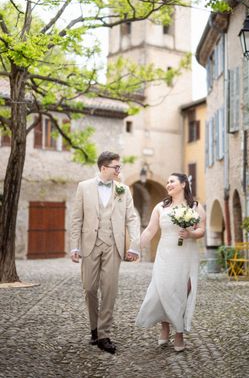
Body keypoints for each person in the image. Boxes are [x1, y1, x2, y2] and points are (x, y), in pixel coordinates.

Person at [71, 151, 140, 354]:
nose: (119, 170)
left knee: (109, 289)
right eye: (116, 167)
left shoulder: (123, 190)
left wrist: (134, 245)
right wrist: (75, 246)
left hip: (113, 245)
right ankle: (94, 327)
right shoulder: (83, 187)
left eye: (119, 167)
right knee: (89, 288)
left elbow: (132, 218)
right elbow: (77, 219)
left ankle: (103, 334)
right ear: (103, 168)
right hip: (90, 244)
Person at [136, 173, 206, 352]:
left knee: (183, 291)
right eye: (167, 182)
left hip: (187, 255)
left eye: (172, 181)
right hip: (165, 254)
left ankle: (179, 332)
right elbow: (151, 230)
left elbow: (202, 230)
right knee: (163, 290)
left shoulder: (195, 207)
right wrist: (135, 247)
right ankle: (165, 326)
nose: (168, 184)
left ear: (183, 184)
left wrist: (190, 234)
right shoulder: (160, 207)